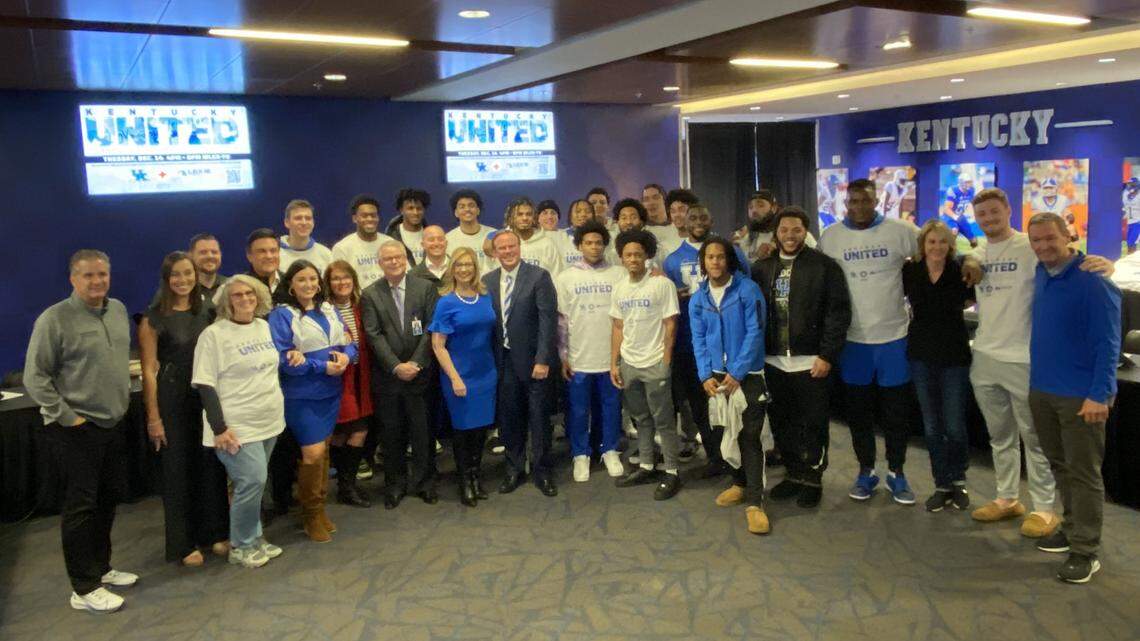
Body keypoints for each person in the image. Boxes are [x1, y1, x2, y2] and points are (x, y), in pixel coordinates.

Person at [966, 187, 1111, 536]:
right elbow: (973, 261)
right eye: (982, 214)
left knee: (1035, 439)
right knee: (999, 435)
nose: (989, 219)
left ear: (1008, 211)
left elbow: (1066, 258)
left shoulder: (1028, 246)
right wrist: (972, 260)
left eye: (994, 212)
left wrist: (1103, 263)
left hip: (1024, 359)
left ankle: (1045, 508)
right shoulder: (979, 249)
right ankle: (1006, 498)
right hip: (984, 356)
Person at [25, 249, 135, 613]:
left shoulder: (117, 310)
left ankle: (101, 569)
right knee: (80, 508)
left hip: (112, 423)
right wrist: (68, 416)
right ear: (73, 279)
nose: (97, 281)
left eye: (102, 274)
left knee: (106, 501)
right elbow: (35, 378)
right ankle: (83, 588)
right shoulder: (54, 319)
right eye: (88, 275)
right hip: (74, 429)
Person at [1026, 212, 1121, 584]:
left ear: (1069, 236)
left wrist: (1100, 393)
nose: (1043, 246)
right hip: (1043, 389)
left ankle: (1086, 551)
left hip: (1081, 396)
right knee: (1059, 466)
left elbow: (1109, 341)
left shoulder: (1093, 279)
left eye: (1051, 238)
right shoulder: (1041, 272)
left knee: (1083, 473)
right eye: (1037, 240)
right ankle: (1070, 527)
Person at [819, 178, 920, 505]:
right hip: (853, 342)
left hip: (893, 339)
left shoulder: (900, 231)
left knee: (895, 414)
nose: (860, 207)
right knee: (859, 415)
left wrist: (973, 261)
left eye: (866, 201)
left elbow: (937, 246)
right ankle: (866, 471)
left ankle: (897, 473)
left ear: (877, 201)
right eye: (854, 202)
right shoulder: (831, 237)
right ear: (845, 204)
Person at [752, 207, 850, 508]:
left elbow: (838, 313)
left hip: (812, 362)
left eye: (796, 230)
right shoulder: (762, 268)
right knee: (783, 422)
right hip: (773, 362)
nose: (790, 236)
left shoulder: (825, 267)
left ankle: (812, 478)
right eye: (784, 230)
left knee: (813, 424)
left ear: (805, 232)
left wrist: (826, 355)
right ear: (776, 233)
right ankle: (794, 474)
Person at [139, 252, 229, 566]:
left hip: (204, 396)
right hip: (172, 400)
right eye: (176, 275)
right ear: (166, 279)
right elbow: (148, 369)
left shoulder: (208, 310)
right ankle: (182, 544)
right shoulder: (153, 317)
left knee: (210, 466)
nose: (183, 280)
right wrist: (153, 417)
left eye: (188, 273)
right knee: (178, 472)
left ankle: (214, 534)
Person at [192, 275, 286, 569]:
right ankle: (241, 545)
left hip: (268, 420)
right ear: (226, 302)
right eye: (237, 295)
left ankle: (255, 537)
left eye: (250, 293)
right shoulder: (214, 335)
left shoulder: (263, 326)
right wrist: (220, 428)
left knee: (256, 484)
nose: (245, 299)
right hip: (236, 426)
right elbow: (205, 384)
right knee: (251, 480)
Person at [268, 260, 356, 542]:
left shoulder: (328, 308)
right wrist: (321, 367)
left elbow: (348, 339)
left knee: (325, 450)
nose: (309, 284)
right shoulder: (282, 315)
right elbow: (284, 360)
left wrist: (347, 356)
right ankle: (309, 513)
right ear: (290, 285)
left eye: (313, 279)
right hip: (302, 395)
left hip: (331, 391)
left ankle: (319, 510)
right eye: (302, 279)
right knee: (313, 453)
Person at [689, 236, 769, 533]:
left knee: (750, 436)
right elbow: (698, 339)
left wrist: (737, 371)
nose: (715, 262)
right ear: (703, 262)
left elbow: (755, 332)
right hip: (716, 376)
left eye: (720, 256)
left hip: (747, 376)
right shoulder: (699, 298)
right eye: (709, 257)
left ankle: (756, 502)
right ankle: (738, 482)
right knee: (727, 432)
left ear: (729, 259)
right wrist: (704, 375)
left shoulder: (748, 290)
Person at [663, 204, 749, 477]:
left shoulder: (731, 251)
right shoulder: (673, 259)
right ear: (683, 222)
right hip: (691, 343)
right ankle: (715, 457)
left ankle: (740, 459)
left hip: (728, 344)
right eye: (693, 217)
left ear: (711, 220)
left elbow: (745, 285)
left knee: (734, 405)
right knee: (701, 406)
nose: (698, 221)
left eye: (703, 217)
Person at [902, 221, 975, 512]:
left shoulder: (962, 271)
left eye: (942, 242)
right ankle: (941, 483)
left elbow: (972, 298)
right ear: (923, 245)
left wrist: (971, 259)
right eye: (931, 242)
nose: (937, 247)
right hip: (921, 355)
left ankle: (959, 480)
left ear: (950, 245)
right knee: (932, 426)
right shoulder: (911, 271)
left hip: (954, 357)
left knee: (955, 425)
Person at [361, 241, 439, 508]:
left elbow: (432, 328)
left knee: (423, 434)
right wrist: (396, 366)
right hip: (388, 379)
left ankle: (425, 483)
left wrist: (416, 363)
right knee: (392, 436)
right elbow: (373, 334)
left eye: (397, 257)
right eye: (387, 259)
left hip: (420, 376)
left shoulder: (425, 288)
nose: (393, 262)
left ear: (406, 259)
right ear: (380, 263)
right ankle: (395, 486)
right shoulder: (370, 293)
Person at [484, 230, 559, 496]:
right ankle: (514, 469)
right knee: (510, 420)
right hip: (502, 362)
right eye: (501, 248)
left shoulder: (538, 276)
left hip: (532, 363)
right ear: (495, 252)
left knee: (539, 419)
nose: (507, 251)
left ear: (519, 247)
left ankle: (542, 472)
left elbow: (548, 322)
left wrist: (543, 359)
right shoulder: (488, 281)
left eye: (511, 246)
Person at [610, 229, 682, 500]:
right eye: (628, 255)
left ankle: (672, 471)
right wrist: (614, 363)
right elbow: (617, 326)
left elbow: (670, 324)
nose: (633, 259)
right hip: (629, 362)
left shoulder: (661, 284)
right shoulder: (619, 288)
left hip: (655, 362)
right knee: (641, 418)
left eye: (638, 254)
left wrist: (665, 360)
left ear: (646, 256)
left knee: (663, 420)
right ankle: (648, 465)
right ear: (621, 258)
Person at [555, 220, 627, 482]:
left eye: (599, 242)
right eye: (589, 242)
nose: (594, 247)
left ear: (605, 245)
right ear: (579, 246)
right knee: (578, 409)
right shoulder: (566, 277)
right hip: (579, 356)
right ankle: (580, 454)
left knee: (611, 406)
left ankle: (609, 449)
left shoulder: (619, 274)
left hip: (610, 357)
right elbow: (561, 320)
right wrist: (563, 356)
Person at [430, 247, 498, 506]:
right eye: (459, 265)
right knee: (463, 431)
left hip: (486, 373)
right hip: (458, 374)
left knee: (480, 430)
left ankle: (475, 476)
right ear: (452, 269)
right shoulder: (446, 301)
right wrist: (455, 378)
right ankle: (464, 482)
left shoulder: (484, 296)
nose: (465, 269)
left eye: (469, 264)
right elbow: (438, 346)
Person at [324, 260, 374, 508]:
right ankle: (345, 485)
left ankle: (347, 485)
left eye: (346, 278)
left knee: (357, 429)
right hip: (337, 378)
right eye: (336, 278)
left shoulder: (360, 306)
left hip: (361, 376)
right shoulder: (323, 310)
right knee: (344, 431)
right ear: (328, 283)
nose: (342, 283)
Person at [332, 194, 397, 289]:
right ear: (355, 218)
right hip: (359, 301)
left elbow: (404, 275)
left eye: (373, 215)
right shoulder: (342, 248)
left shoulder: (390, 243)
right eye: (364, 216)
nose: (369, 219)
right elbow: (339, 283)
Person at [732, 190, 817, 262]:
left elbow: (816, 262)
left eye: (760, 205)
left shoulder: (796, 235)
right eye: (750, 207)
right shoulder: (743, 238)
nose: (754, 211)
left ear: (774, 208)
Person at [504, 197, 562, 275]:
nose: (524, 218)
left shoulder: (547, 244)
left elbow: (556, 276)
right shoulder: (503, 242)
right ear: (511, 218)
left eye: (529, 214)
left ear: (534, 217)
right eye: (519, 214)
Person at [446, 189, 496, 269]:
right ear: (456, 213)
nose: (467, 209)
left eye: (471, 205)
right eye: (462, 207)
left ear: (478, 210)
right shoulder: (448, 239)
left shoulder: (493, 234)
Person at [279, 199, 333, 273]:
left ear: (313, 223)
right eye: (298, 218)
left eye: (308, 218)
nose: (304, 223)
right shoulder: (276, 253)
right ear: (287, 222)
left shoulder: (325, 254)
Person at [388, 188, 430, 265]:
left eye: (419, 208)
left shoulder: (432, 235)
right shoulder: (390, 237)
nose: (415, 213)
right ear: (401, 210)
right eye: (410, 208)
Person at [643, 183, 682, 259]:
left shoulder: (678, 227)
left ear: (665, 200)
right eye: (646, 199)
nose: (651, 203)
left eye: (655, 197)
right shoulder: (642, 231)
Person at [941, 174, 979, 249]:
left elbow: (973, 202)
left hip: (960, 216)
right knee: (953, 231)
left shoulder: (971, 190)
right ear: (962, 182)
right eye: (967, 182)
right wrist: (955, 217)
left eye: (970, 182)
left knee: (974, 240)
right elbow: (946, 209)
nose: (969, 184)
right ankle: (949, 252)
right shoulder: (954, 190)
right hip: (950, 217)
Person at [188, 233, 228, 299]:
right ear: (190, 256)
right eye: (203, 252)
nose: (210, 256)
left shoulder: (231, 287)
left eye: (214, 252)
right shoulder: (183, 288)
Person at [245, 228, 283, 292]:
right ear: (249, 256)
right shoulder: (239, 286)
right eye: (262, 251)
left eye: (273, 251)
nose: (269, 256)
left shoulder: (291, 283)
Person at [1124, 177, 1140, 254]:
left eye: (1132, 184)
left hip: (1137, 222)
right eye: (1129, 184)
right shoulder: (1126, 195)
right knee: (1129, 242)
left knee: (1133, 243)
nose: (1130, 186)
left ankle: (1131, 260)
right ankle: (1129, 259)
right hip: (1129, 222)